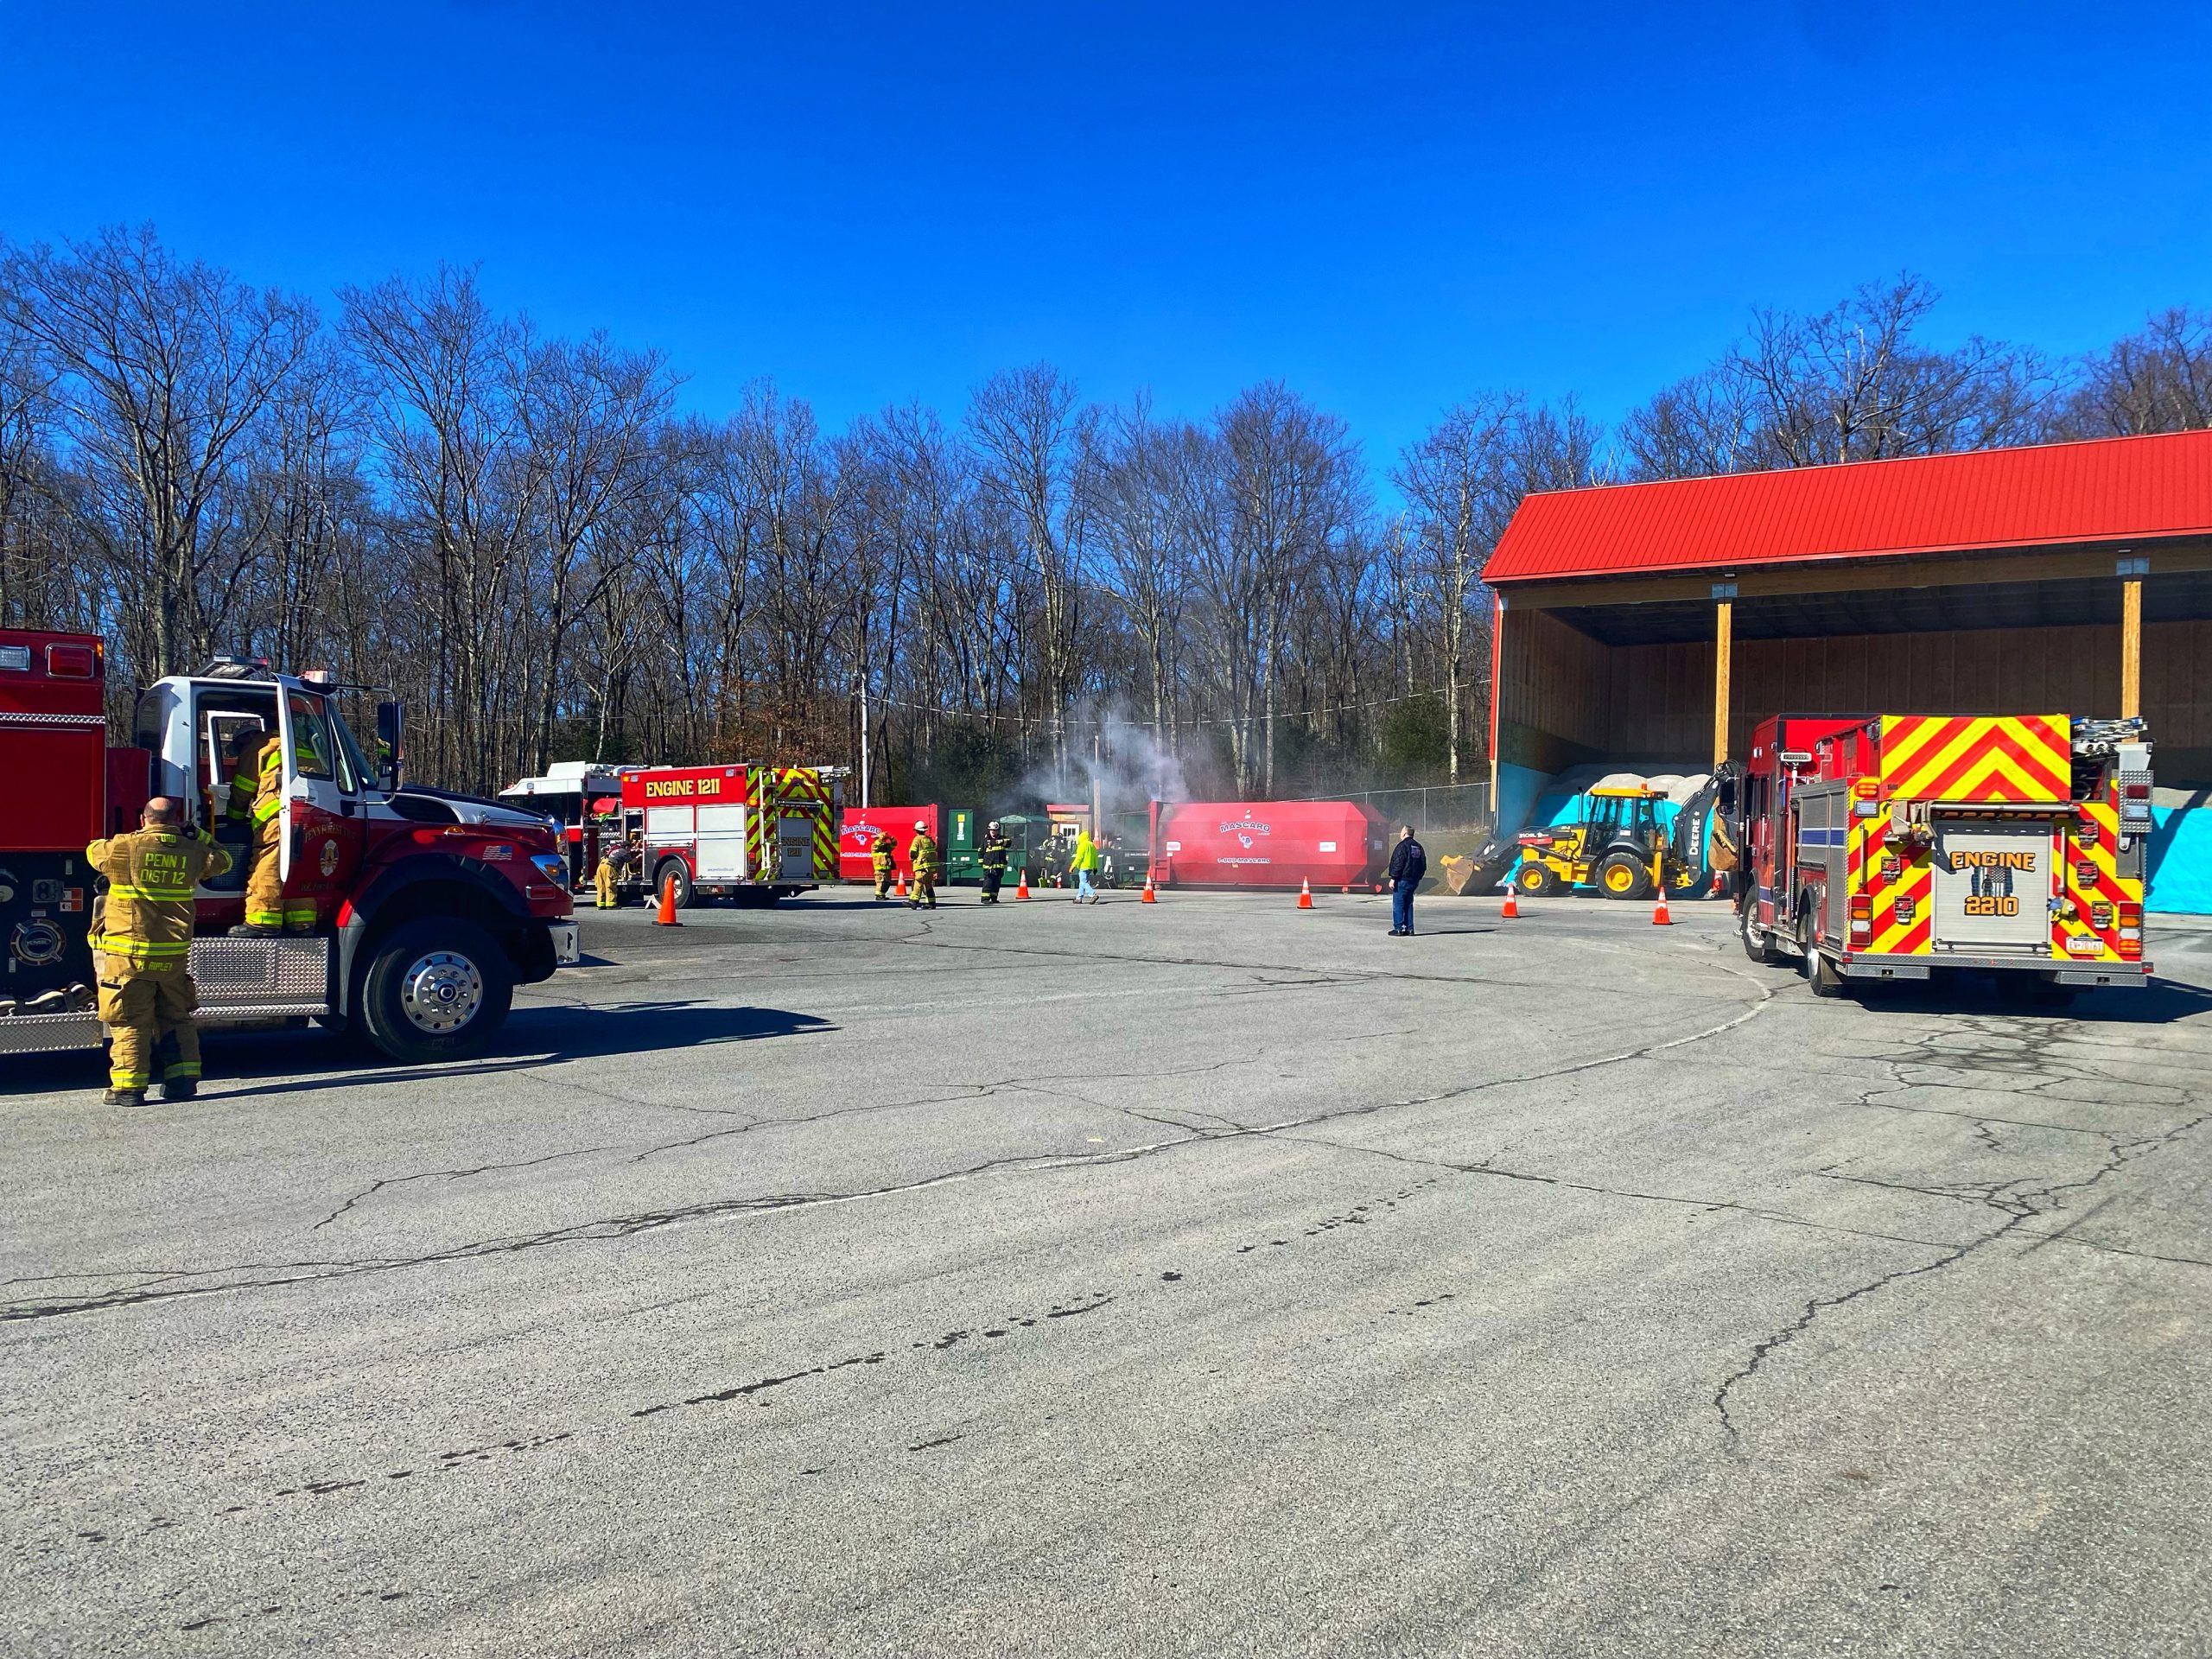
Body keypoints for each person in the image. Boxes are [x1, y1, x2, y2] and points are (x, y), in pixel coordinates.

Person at [86, 798, 229, 1106]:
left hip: (129, 956)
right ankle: (183, 1081)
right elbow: (224, 860)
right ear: (177, 821)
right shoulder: (194, 851)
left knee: (130, 1020)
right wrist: (198, 835)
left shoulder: (125, 847)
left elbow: (93, 851)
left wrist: (127, 836)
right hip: (173, 956)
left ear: (143, 819)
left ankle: (128, 1089)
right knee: (176, 1016)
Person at [1388, 823, 1427, 937]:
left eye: (1401, 831)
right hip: (1413, 881)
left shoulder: (1402, 846)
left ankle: (1398, 928)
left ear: (1405, 833)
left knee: (1399, 904)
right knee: (1409, 904)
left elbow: (1398, 863)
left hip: (1402, 880)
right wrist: (1418, 878)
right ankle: (1410, 929)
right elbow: (1423, 864)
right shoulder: (1418, 847)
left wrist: (1393, 878)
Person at [906, 821, 939, 910]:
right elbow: (935, 847)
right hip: (930, 866)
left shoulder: (917, 839)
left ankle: (913, 901)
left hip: (921, 865)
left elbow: (913, 852)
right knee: (928, 884)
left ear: (916, 831)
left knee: (918, 882)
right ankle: (931, 903)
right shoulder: (929, 839)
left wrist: (913, 859)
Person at [978, 821, 1010, 905]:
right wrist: (982, 863)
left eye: (995, 830)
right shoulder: (986, 840)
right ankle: (985, 899)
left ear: (998, 831)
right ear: (989, 830)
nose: (993, 832)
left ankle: (994, 898)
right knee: (988, 883)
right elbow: (980, 852)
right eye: (991, 830)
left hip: (999, 867)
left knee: (996, 884)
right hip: (989, 867)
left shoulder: (1002, 839)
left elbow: (1009, 842)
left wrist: (1002, 841)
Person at [1070, 824, 1101, 905]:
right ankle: (1079, 898)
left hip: (1083, 867)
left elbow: (1079, 858)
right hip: (1090, 867)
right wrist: (1095, 867)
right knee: (1082, 882)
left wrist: (1072, 866)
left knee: (1083, 882)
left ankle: (1093, 895)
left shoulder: (1082, 845)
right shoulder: (1092, 845)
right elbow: (1095, 857)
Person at [871, 827, 899, 900]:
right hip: (879, 869)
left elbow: (895, 844)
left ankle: (882, 894)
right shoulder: (874, 847)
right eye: (883, 840)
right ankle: (879, 895)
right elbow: (877, 844)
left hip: (887, 868)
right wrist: (882, 837)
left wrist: (890, 837)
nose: (884, 841)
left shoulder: (887, 847)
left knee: (888, 882)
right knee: (880, 882)